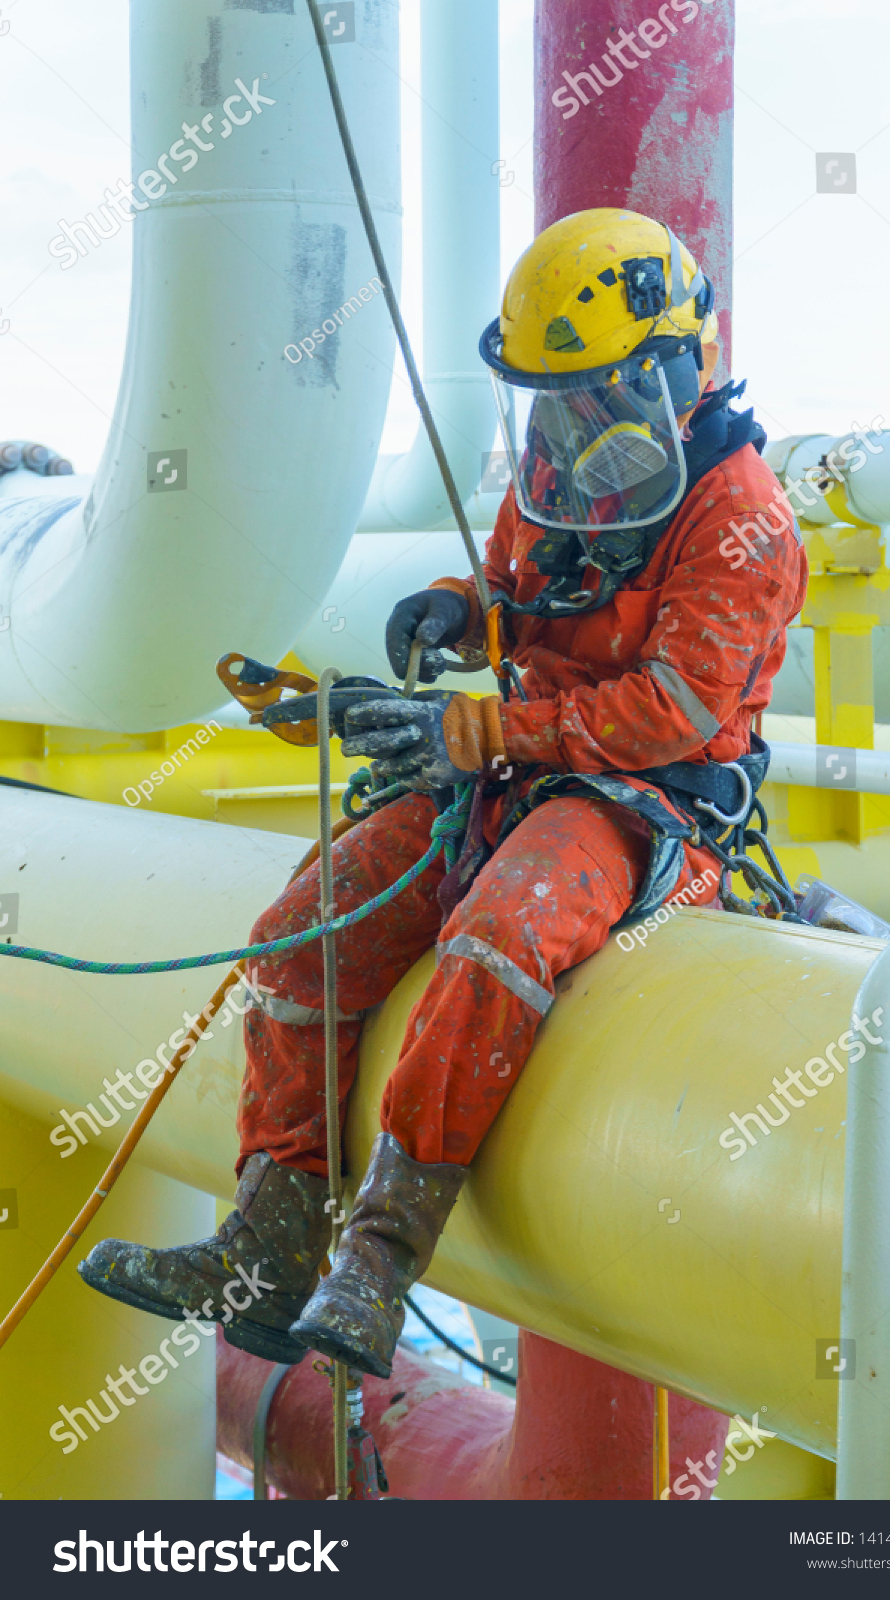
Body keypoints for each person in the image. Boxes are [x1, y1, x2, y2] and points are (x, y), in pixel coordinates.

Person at [80, 208, 808, 1380]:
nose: (572, 422)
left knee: (497, 939)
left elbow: (669, 708)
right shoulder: (569, 467)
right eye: (554, 398)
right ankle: (267, 1246)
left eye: (593, 394)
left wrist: (476, 727)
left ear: (673, 371)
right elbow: (522, 577)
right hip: (513, 770)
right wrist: (456, 608)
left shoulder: (741, 521)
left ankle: (376, 1257)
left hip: (636, 804)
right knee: (304, 927)